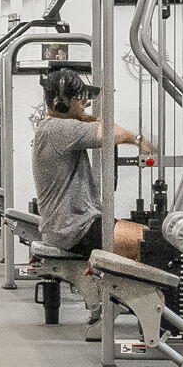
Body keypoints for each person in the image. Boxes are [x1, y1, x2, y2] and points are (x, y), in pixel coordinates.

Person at [32, 66, 152, 260]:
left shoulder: (51, 127)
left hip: (72, 226)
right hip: (74, 230)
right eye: (80, 99)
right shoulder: (61, 127)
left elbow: (105, 129)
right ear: (62, 103)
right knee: (150, 243)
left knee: (145, 234)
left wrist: (89, 118)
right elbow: (113, 134)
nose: (85, 104)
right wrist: (138, 139)